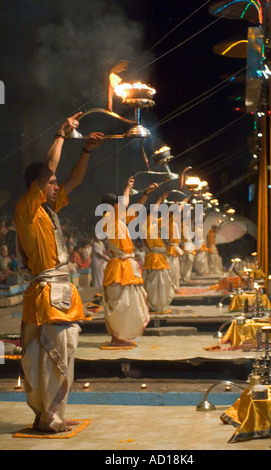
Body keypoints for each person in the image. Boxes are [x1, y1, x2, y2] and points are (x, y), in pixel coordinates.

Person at [14, 112, 104, 433]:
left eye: (53, 184)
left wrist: (87, 150)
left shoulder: (50, 212)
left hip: (60, 292)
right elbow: (50, 168)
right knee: (48, 358)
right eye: (50, 184)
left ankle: (50, 416)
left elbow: (73, 180)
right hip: (45, 295)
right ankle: (48, 419)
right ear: (36, 186)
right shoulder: (27, 210)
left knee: (62, 356)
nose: (55, 186)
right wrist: (62, 134)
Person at [100, 177, 157, 348]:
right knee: (121, 306)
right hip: (119, 267)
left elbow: (136, 209)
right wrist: (126, 189)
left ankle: (121, 336)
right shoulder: (108, 219)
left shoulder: (119, 221)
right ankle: (117, 337)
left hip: (126, 267)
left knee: (128, 304)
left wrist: (146, 193)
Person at [142, 191, 175, 312]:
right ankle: (155, 306)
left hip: (159, 258)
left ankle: (158, 305)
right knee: (156, 284)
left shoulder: (153, 225)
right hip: (154, 259)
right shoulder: (145, 225)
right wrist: (160, 198)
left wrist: (174, 208)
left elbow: (165, 219)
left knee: (162, 284)